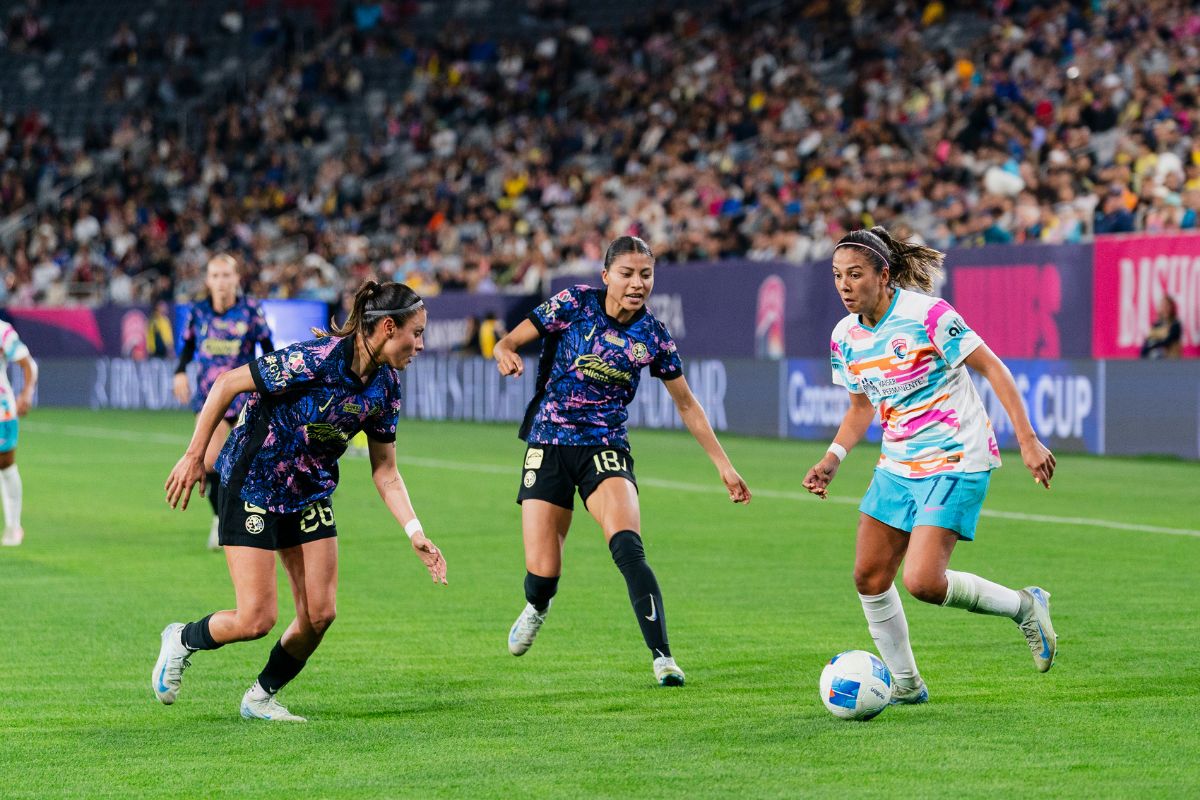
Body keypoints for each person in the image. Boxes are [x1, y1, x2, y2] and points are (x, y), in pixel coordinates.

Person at [156, 280, 447, 722]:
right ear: (388, 327)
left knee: (320, 614)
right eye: (417, 332)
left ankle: (260, 697)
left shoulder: (386, 388)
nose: (421, 344)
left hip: (308, 492)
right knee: (256, 619)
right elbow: (226, 383)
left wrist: (415, 532)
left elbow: (385, 471)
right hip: (253, 483)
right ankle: (181, 638)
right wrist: (196, 455)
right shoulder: (311, 360)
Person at [802, 226, 1059, 705]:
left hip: (956, 456)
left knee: (921, 581)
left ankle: (1025, 606)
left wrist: (1027, 440)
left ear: (884, 274)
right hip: (898, 464)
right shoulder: (845, 336)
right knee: (869, 577)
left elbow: (993, 369)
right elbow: (861, 408)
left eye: (855, 275)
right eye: (837, 276)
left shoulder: (928, 314)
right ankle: (906, 684)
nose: (844, 285)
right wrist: (831, 459)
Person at [493, 235, 751, 686]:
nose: (637, 284)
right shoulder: (574, 304)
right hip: (549, 441)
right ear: (606, 276)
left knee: (628, 547)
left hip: (605, 445)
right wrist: (505, 351)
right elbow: (508, 341)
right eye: (628, 274)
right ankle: (537, 607)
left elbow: (687, 404)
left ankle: (663, 658)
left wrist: (723, 466)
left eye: (646, 275)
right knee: (543, 573)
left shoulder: (652, 334)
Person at [174, 254, 275, 550]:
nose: (221, 282)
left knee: (245, 463)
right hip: (209, 398)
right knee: (208, 461)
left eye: (226, 275)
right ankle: (221, 519)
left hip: (245, 397)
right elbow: (189, 345)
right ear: (208, 280)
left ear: (236, 279)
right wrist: (179, 371)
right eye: (215, 276)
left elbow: (268, 347)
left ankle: (251, 518)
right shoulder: (199, 311)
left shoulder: (250, 311)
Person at [0, 320, 37, 546]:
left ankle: (14, 527)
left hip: (1, 410)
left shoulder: (2, 331)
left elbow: (28, 364)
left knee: (5, 465)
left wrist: (26, 393)